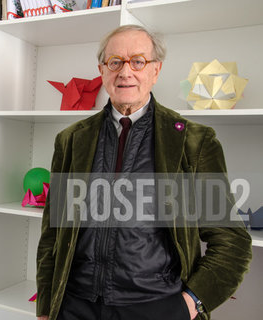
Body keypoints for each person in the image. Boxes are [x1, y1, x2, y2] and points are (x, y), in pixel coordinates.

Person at [36, 25, 252, 320]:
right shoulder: (72, 140)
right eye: (115, 62)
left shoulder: (194, 141)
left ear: (156, 70)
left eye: (138, 61)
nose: (126, 72)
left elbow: (232, 242)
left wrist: (189, 304)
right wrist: (46, 308)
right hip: (74, 306)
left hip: (157, 307)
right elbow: (52, 234)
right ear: (102, 70)